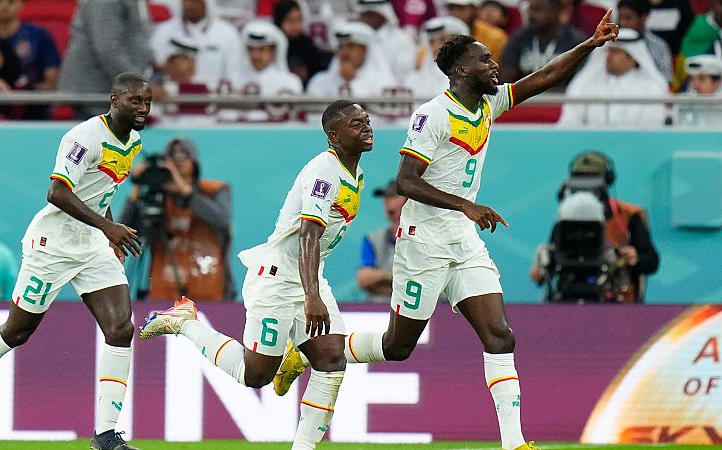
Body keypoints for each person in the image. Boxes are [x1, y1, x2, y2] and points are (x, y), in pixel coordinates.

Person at [272, 11, 620, 450]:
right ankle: (307, 353)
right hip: (424, 242)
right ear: (461, 71)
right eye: (484, 60)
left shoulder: (489, 104)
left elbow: (545, 76)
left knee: (500, 336)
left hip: (464, 240)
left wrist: (590, 43)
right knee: (398, 346)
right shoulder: (432, 115)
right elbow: (405, 181)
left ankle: (514, 443)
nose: (494, 65)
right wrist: (465, 204)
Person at [138, 100, 373, 450]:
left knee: (331, 359)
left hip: (309, 273)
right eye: (356, 123)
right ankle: (184, 322)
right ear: (333, 136)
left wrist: (312, 288)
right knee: (256, 375)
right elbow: (308, 233)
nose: (366, 126)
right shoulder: (325, 172)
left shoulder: (354, 172)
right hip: (278, 278)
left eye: (366, 120)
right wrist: (312, 296)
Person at [0, 73, 151, 450]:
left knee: (121, 328)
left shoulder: (133, 141)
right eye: (135, 100)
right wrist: (109, 226)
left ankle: (105, 435)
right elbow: (56, 192)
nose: (143, 108)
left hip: (92, 245)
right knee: (18, 331)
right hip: (51, 245)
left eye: (147, 101)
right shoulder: (84, 137)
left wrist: (106, 232)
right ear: (114, 99)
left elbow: (101, 192)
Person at [530, 151, 660, 302]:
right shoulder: (566, 217)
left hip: (618, 299)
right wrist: (541, 270)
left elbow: (652, 261)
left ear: (607, 182)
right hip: (568, 297)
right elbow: (554, 259)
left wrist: (635, 258)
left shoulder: (629, 215)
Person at [122, 137, 233, 302]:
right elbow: (126, 232)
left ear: (194, 162)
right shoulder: (158, 196)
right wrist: (140, 184)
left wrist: (186, 193)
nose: (178, 161)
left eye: (183, 156)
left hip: (209, 292)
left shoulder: (214, 190)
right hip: (164, 293)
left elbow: (222, 220)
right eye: (172, 157)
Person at [57, 0, 151, 119]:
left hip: (109, 94)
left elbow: (136, 37)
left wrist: (156, 63)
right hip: (92, 94)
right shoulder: (104, 2)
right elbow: (108, 50)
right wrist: (138, 85)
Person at [558, 28, 668, 128]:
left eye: (615, 52)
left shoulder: (651, 88)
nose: (608, 56)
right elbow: (570, 123)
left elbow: (651, 128)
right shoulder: (585, 83)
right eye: (608, 51)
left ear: (633, 57)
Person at [0, 0, 61, 119]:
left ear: (21, 4)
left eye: (11, 1)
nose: (4, 5)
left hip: (33, 114)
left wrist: (27, 92)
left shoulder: (39, 36)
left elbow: (52, 82)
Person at [220, 19, 304, 122]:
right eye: (251, 49)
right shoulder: (234, 81)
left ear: (273, 51)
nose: (255, 55)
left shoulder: (289, 81)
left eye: (261, 49)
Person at [150, 0, 243, 92]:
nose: (188, 6)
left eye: (194, 1)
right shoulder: (164, 31)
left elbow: (234, 74)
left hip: (215, 96)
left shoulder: (227, 33)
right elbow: (156, 68)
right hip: (172, 95)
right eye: (185, 1)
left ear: (206, 4)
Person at [499, 0, 586, 89]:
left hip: (562, 95)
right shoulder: (519, 38)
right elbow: (506, 78)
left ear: (555, 11)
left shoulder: (575, 40)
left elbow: (580, 81)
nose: (531, 15)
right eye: (530, 10)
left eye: (538, 9)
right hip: (525, 95)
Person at [356, 180, 406, 303]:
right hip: (380, 306)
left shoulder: (425, 238)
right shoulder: (373, 239)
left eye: (393, 196)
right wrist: (397, 277)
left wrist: (379, 280)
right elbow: (363, 279)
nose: (386, 201)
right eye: (385, 197)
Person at [406, 15, 470, 100]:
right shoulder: (415, 78)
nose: (436, 47)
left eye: (442, 40)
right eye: (431, 42)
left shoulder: (469, 77)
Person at [272, 0, 331, 87]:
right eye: (290, 21)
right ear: (279, 21)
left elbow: (319, 73)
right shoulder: (271, 46)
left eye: (299, 20)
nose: (296, 26)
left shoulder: (307, 45)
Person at [352, 0, 417, 79]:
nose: (365, 20)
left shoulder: (400, 39)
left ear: (383, 16)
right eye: (363, 16)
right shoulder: (354, 38)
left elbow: (405, 75)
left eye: (370, 16)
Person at [616, 0, 673, 83]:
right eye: (620, 18)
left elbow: (665, 80)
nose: (623, 23)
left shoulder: (658, 45)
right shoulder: (610, 43)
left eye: (628, 18)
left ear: (643, 17)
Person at [440, 0, 508, 61]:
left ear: (475, 10)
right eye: (451, 8)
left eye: (460, 8)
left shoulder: (495, 36)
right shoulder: (439, 36)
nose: (455, 14)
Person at [674, 54, 722, 125]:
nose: (694, 85)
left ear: (717, 82)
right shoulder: (686, 104)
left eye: (701, 79)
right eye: (692, 79)